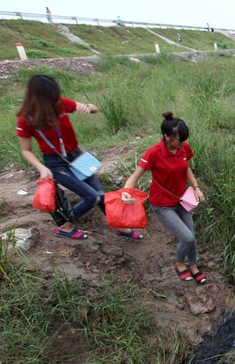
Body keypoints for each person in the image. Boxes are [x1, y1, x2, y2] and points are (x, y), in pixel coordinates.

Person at [16, 74, 143, 241]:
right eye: (52, 97)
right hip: (56, 163)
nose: (56, 100)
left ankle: (119, 225)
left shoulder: (60, 104)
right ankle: (65, 226)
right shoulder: (26, 118)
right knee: (92, 196)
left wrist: (86, 107)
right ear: (41, 98)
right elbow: (26, 150)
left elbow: (94, 108)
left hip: (76, 156)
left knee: (101, 194)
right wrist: (42, 168)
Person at [121, 112, 208, 285]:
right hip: (162, 204)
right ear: (167, 137)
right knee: (187, 237)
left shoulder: (184, 147)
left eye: (184, 140)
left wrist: (196, 187)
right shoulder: (154, 153)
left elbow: (186, 168)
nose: (182, 143)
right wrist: (125, 191)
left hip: (181, 199)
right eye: (179, 140)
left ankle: (194, 266)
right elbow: (135, 176)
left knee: (192, 235)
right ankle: (179, 263)